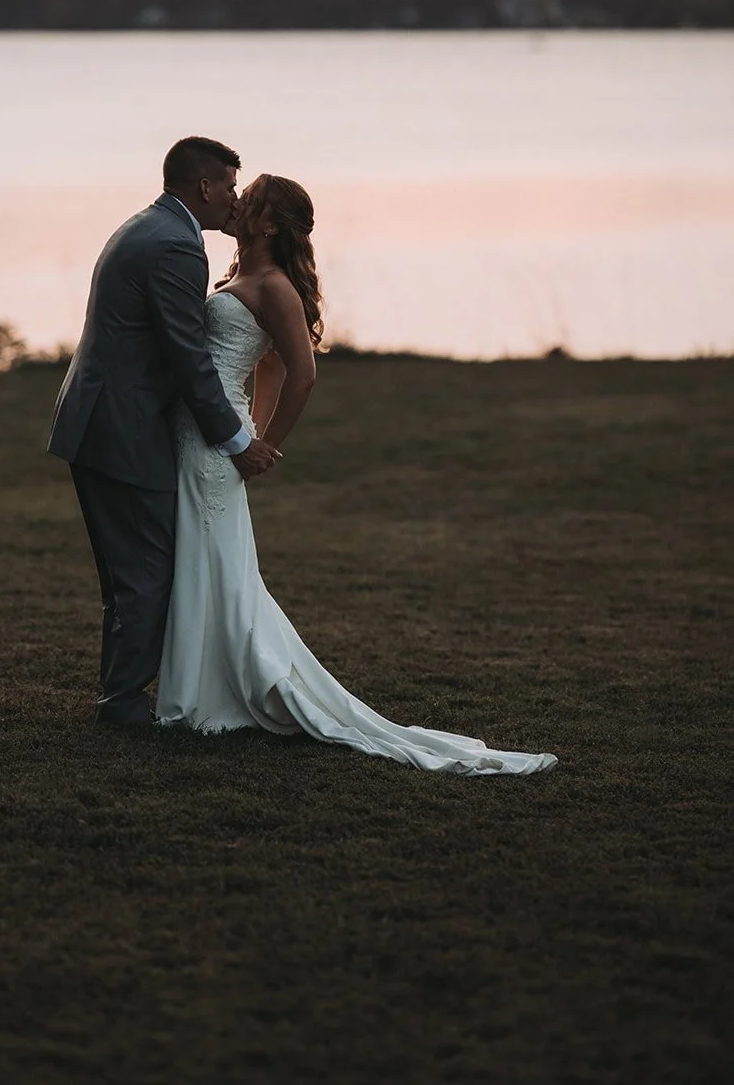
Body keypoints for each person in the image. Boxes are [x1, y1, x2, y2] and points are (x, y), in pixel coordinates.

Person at [156, 173, 558, 776]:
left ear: (270, 223)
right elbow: (266, 365)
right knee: (203, 559)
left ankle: (209, 693)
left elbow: (301, 373)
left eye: (250, 199)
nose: (236, 203)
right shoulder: (239, 278)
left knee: (214, 561)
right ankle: (198, 685)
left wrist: (264, 444)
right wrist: (249, 429)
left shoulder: (275, 286)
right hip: (206, 435)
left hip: (217, 447)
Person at [48, 137, 279, 725]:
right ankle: (123, 702)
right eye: (229, 186)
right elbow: (187, 358)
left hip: (96, 418)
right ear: (205, 186)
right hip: (123, 429)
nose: (234, 199)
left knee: (129, 569)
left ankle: (120, 693)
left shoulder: (146, 225)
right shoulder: (178, 246)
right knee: (148, 567)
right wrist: (237, 441)